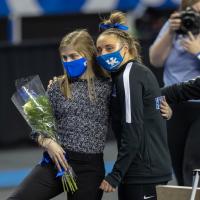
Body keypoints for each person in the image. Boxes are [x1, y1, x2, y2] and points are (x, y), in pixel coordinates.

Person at [7, 29, 111, 200]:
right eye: (65, 58)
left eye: (73, 56)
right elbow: (38, 128)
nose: (68, 61)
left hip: (89, 169)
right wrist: (48, 142)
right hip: (55, 163)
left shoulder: (107, 86)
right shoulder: (57, 86)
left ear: (89, 55)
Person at [96, 11, 172, 200]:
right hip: (145, 170)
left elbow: (133, 127)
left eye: (109, 47)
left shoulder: (129, 76)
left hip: (143, 172)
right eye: (99, 50)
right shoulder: (128, 74)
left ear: (126, 47)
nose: (103, 54)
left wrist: (116, 174)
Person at [149, 0, 200, 186]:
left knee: (193, 164)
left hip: (198, 104)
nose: (195, 17)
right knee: (177, 164)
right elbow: (155, 60)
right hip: (173, 104)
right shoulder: (177, 24)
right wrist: (170, 31)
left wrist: (198, 51)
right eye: (192, 12)